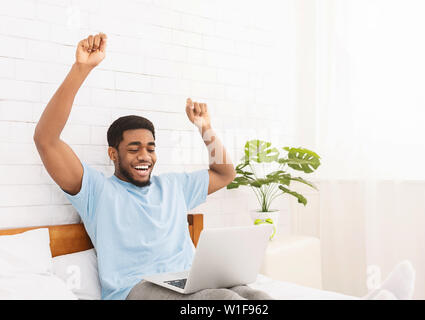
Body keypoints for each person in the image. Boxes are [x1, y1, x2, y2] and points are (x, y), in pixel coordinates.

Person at [33, 33, 272, 300]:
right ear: (113, 154)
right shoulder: (96, 191)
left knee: (257, 296)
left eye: (151, 148)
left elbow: (224, 173)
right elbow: (46, 140)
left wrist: (205, 128)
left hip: (188, 282)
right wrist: (81, 69)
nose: (144, 156)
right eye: (134, 149)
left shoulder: (174, 186)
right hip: (136, 290)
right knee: (224, 300)